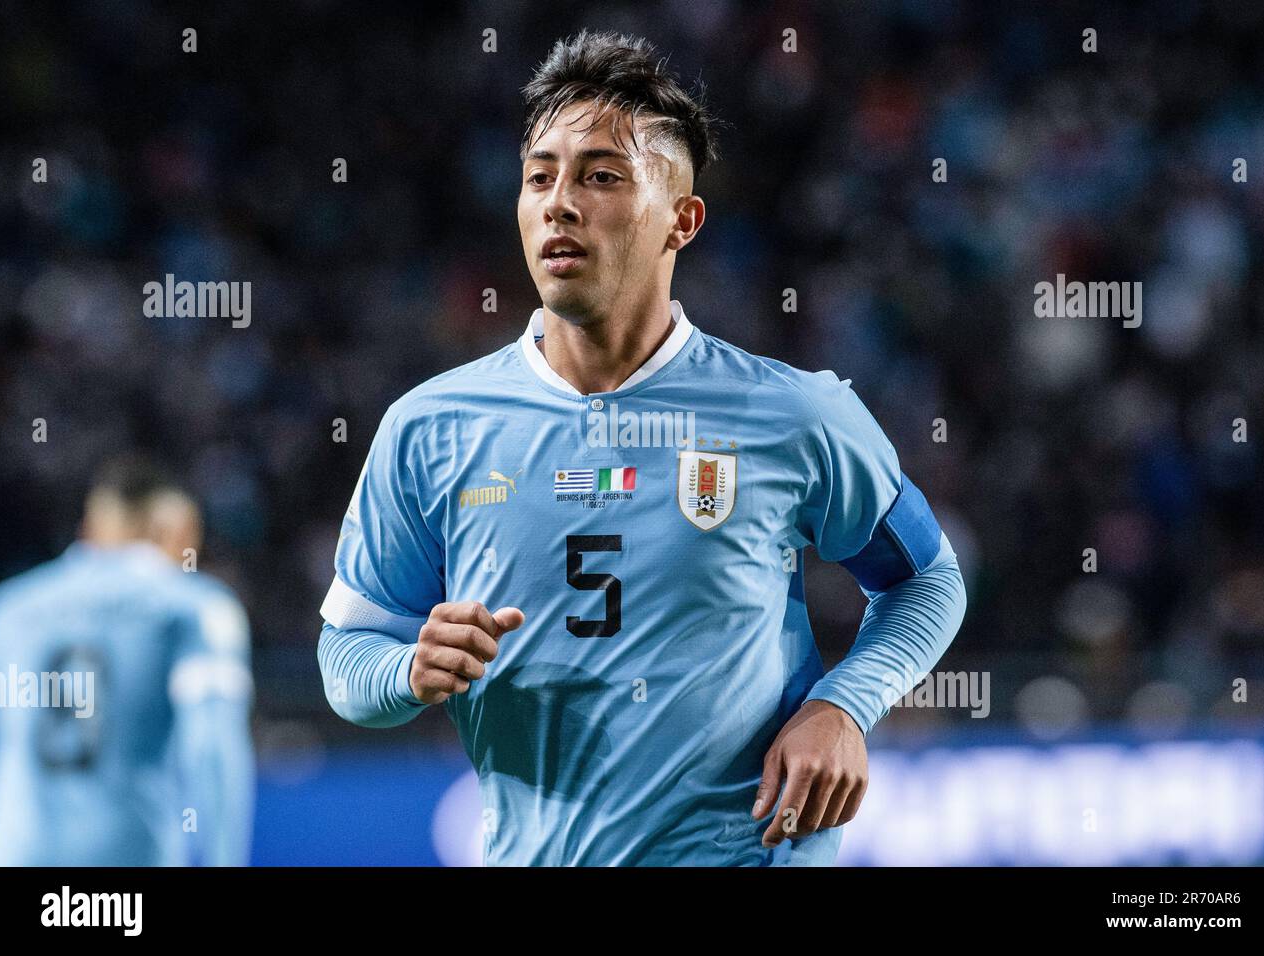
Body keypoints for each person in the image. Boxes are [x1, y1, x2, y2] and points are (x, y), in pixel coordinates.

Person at [318, 29, 966, 865]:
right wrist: (406, 672)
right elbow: (346, 657)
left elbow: (926, 580)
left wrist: (843, 706)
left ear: (681, 221)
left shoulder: (795, 414)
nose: (559, 202)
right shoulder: (430, 428)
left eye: (601, 176)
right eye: (540, 175)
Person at [0, 455, 255, 866]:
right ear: (172, 528)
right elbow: (212, 750)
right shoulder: (192, 608)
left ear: (92, 525)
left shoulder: (8, 609)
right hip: (129, 858)